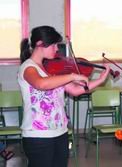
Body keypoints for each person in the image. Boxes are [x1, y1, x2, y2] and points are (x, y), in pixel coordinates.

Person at [17, 25, 110, 167]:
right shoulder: (28, 68)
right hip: (38, 136)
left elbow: (75, 90)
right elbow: (41, 84)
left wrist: (99, 80)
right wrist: (72, 75)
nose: (57, 49)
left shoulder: (50, 68)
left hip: (60, 132)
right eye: (54, 45)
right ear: (40, 44)